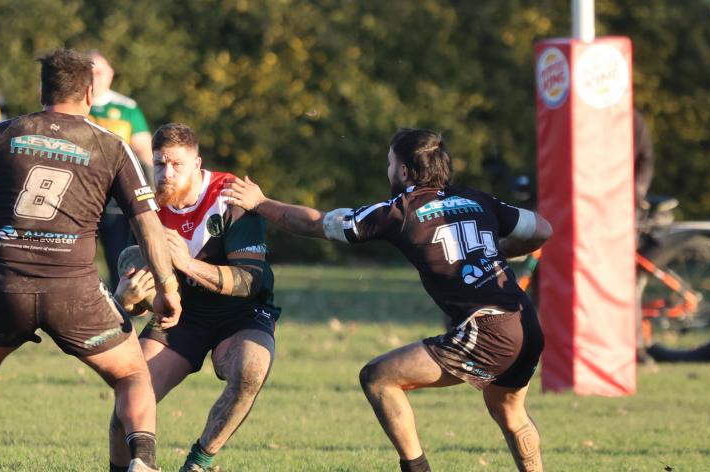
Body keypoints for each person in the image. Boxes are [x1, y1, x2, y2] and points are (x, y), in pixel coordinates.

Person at [224, 128, 551, 472]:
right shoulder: (476, 199)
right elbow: (542, 229)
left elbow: (316, 224)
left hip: (488, 330)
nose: (388, 171)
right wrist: (496, 250)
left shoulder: (399, 211)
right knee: (510, 413)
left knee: (378, 377)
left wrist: (260, 203)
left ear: (406, 172)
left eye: (390, 163)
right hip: (526, 323)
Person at [0, 48, 181, 472]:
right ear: (90, 92)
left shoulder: (1, 133)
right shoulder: (110, 146)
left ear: (40, 90)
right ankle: (142, 461)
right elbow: (147, 225)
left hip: (4, 285)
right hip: (75, 292)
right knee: (132, 374)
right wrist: (167, 286)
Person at [108, 123, 281, 472]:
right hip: (181, 313)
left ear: (197, 164)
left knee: (251, 369)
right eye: (159, 164)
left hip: (241, 312)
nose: (166, 174)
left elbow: (249, 280)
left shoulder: (230, 196)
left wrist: (186, 263)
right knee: (128, 402)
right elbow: (144, 296)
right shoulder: (145, 206)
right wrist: (129, 299)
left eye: (176, 165)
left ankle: (198, 462)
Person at [87, 51, 155, 290]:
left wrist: (151, 190)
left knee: (118, 253)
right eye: (89, 72)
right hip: (83, 192)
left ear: (110, 74)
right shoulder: (74, 106)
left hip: (115, 195)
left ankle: (123, 303)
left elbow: (145, 150)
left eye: (99, 72)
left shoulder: (126, 108)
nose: (94, 78)